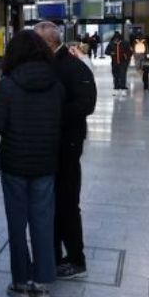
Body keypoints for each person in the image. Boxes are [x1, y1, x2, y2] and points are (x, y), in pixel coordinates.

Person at [0, 30, 64, 297]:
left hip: (15, 163)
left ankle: (20, 283)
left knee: (17, 224)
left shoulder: (7, 86)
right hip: (45, 162)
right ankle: (41, 284)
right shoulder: (56, 85)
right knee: (43, 222)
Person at [35, 21, 97, 282]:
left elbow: (87, 104)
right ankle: (52, 256)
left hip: (67, 144)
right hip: (49, 144)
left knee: (67, 202)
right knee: (50, 202)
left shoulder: (73, 67)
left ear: (49, 43)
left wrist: (52, 112)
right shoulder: (47, 65)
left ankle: (75, 259)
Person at [105, 32, 132, 97]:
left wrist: (126, 57)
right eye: (115, 39)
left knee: (123, 76)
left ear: (120, 38)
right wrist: (111, 53)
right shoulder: (111, 44)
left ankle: (123, 89)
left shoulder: (125, 43)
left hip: (123, 63)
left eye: (117, 38)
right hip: (114, 63)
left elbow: (130, 52)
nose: (116, 40)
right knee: (115, 76)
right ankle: (116, 89)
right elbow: (106, 51)